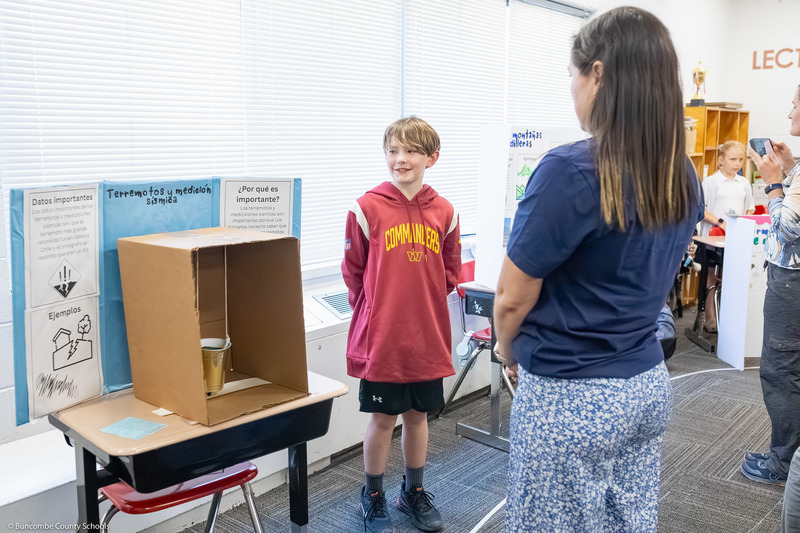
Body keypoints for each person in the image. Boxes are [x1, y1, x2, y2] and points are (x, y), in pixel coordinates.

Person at [492, 7, 703, 532]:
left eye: (572, 74)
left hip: (572, 396)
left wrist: (505, 348)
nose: (571, 88)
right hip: (646, 385)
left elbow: (512, 297)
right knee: (626, 522)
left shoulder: (569, 170)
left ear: (599, 73)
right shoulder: (682, 171)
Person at [341, 116, 461, 533]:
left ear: (432, 157)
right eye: (393, 150)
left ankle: (412, 492)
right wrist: (379, 311)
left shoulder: (446, 211)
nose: (400, 159)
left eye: (410, 150)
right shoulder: (366, 207)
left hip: (427, 339)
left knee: (417, 417)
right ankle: (372, 495)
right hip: (384, 341)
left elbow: (449, 273)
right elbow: (354, 272)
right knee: (382, 419)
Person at [743, 84, 800, 487]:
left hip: (791, 283)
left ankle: (783, 464)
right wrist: (791, 166)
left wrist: (773, 183)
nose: (790, 113)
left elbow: (790, 227)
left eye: (795, 105)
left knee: (781, 371)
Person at [699, 140, 755, 331]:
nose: (737, 163)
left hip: (736, 238)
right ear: (721, 160)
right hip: (714, 238)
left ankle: (730, 319)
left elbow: (749, 208)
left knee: (733, 277)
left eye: (740, 159)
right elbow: (702, 210)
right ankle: (710, 318)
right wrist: (721, 222)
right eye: (732, 159)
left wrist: (743, 224)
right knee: (712, 277)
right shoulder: (711, 182)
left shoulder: (744, 183)